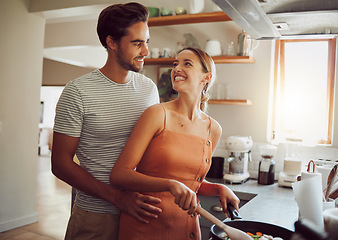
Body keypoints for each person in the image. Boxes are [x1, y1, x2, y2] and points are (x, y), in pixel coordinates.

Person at [51, 3, 162, 240]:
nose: (146, 52)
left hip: (140, 214)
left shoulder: (149, 89)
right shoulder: (78, 92)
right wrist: (118, 198)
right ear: (111, 42)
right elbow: (60, 164)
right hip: (96, 217)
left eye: (147, 42)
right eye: (137, 43)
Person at [110, 47, 244, 240]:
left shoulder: (213, 129)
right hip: (145, 225)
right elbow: (119, 175)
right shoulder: (157, 114)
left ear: (206, 77)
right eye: (175, 64)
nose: (176, 68)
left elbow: (191, 183)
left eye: (186, 64)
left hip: (186, 227)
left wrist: (219, 188)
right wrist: (170, 184)